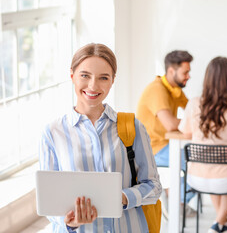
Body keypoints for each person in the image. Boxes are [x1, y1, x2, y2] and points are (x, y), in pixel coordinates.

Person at [39, 43, 162, 233]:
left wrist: (121, 197)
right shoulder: (53, 132)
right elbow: (49, 200)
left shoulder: (133, 127)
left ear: (112, 81)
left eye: (103, 78)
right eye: (85, 75)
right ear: (72, 76)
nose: (93, 86)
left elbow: (153, 186)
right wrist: (70, 222)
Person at [178, 57, 227, 233]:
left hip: (196, 178)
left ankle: (222, 223)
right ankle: (217, 223)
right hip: (225, 179)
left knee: (214, 169)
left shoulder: (194, 103)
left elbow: (186, 132)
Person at [136, 50, 195, 217]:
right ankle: (177, 203)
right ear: (171, 71)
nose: (188, 76)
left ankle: (173, 195)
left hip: (166, 145)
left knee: (199, 160)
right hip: (151, 149)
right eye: (185, 72)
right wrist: (196, 122)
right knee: (195, 163)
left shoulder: (174, 89)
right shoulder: (157, 90)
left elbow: (193, 110)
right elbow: (170, 124)